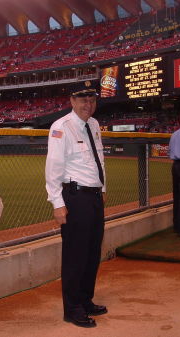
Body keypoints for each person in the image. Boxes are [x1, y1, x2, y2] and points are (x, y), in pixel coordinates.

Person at [45, 81, 107, 328]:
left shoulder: (93, 124)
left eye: (91, 100)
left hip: (93, 197)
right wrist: (57, 203)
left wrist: (102, 189)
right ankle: (72, 309)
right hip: (75, 198)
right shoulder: (61, 127)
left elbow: (98, 159)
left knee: (92, 252)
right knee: (75, 255)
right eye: (83, 100)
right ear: (72, 101)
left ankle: (85, 300)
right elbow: (53, 169)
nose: (88, 105)